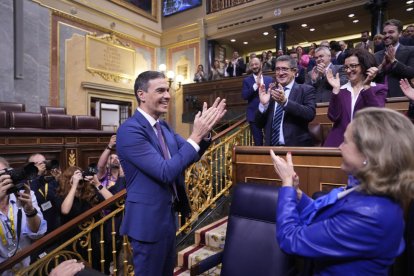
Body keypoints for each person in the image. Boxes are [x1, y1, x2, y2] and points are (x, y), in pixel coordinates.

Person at [270, 107, 414, 275]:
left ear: (367, 155)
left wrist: (287, 184)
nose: (339, 147)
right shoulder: (366, 191)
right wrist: (297, 193)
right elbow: (323, 214)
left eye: (346, 142)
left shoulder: (370, 215)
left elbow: (290, 239)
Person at [116, 71, 226, 276]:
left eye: (167, 90)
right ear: (142, 94)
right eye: (160, 90)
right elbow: (165, 172)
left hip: (168, 218)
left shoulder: (163, 126)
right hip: (147, 224)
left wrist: (205, 132)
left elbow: (190, 154)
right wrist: (196, 134)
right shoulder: (129, 130)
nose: (167, 95)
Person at [323, 48, 387, 147]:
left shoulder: (378, 89)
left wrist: (366, 86)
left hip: (366, 144)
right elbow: (333, 117)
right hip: (338, 143)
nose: (348, 70)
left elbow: (377, 115)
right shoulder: (341, 89)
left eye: (353, 66)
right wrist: (336, 90)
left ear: (364, 65)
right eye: (346, 67)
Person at [255, 55, 316, 146]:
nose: (280, 73)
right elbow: (259, 124)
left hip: (296, 150)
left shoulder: (305, 90)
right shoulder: (271, 92)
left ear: (294, 71)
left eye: (284, 69)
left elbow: (309, 114)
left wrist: (285, 102)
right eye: (277, 69)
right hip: (271, 150)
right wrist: (263, 105)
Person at [0, 157, 46, 274]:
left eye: (4, 173)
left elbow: (38, 234)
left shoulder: (25, 194)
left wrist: (30, 211)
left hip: (29, 268)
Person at [374, 19, 414, 97]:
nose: (386, 36)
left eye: (391, 32)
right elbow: (372, 78)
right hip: (380, 99)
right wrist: (382, 66)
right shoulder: (376, 55)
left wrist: (393, 61)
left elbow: (411, 73)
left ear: (400, 34)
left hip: (402, 98)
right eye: (384, 33)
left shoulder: (411, 50)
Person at [242, 57, 273, 146]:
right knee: (258, 143)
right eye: (252, 65)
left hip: (268, 114)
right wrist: (256, 85)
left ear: (261, 65)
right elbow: (244, 96)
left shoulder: (269, 79)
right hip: (254, 116)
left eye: (256, 64)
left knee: (270, 141)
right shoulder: (246, 80)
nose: (254, 66)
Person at [27, 153, 60, 234]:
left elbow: (58, 199)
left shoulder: (48, 181)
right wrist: (37, 175)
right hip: (39, 231)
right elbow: (32, 193)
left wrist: (58, 180)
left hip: (55, 228)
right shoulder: (27, 183)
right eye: (38, 164)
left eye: (44, 162)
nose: (43, 166)